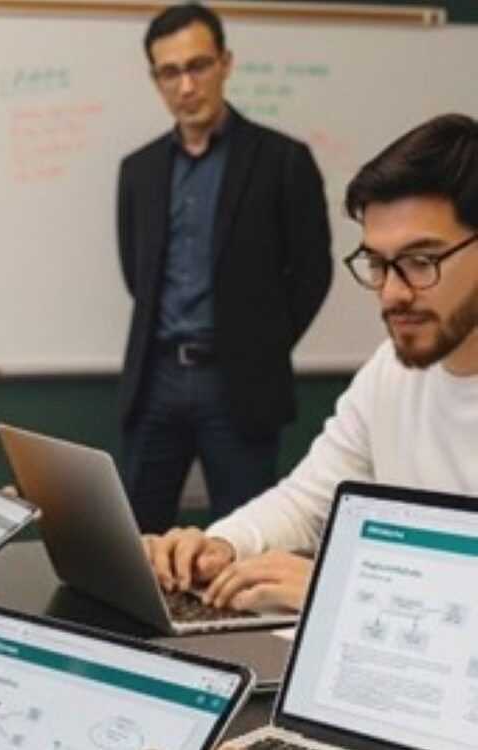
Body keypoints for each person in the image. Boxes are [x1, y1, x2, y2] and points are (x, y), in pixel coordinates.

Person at [147, 113, 478, 614]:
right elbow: (309, 502)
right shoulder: (390, 369)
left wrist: (343, 592)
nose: (392, 293)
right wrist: (223, 545)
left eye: (420, 261)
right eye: (377, 263)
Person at [117, 2, 332, 532]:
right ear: (155, 80)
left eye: (198, 66)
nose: (186, 86)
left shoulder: (282, 160)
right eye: (170, 72)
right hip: (157, 380)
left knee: (241, 543)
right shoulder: (138, 170)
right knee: (135, 543)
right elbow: (135, 272)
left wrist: (261, 344)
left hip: (238, 386)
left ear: (225, 63)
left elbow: (312, 273)